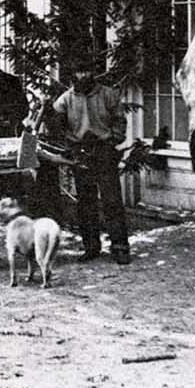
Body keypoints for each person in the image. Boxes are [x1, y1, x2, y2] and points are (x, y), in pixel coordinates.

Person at [51, 60, 131, 265]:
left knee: (111, 200)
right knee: (86, 202)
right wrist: (69, 147)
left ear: (93, 72)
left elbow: (120, 121)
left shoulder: (108, 94)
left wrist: (113, 140)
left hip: (103, 150)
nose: (83, 75)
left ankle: (120, 246)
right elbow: (57, 127)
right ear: (73, 74)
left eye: (86, 70)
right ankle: (91, 246)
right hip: (80, 152)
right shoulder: (65, 100)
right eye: (79, 71)